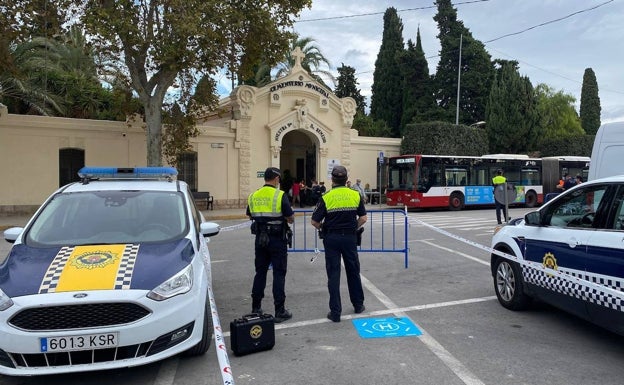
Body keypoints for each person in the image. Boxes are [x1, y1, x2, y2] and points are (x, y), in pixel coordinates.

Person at [311, 165, 367, 323]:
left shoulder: (326, 196)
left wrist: (324, 227)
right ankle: (358, 305)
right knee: (353, 271)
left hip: (332, 239)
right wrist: (351, 228)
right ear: (346, 179)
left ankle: (335, 312)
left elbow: (314, 221)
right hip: (350, 238)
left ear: (332, 179)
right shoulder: (355, 194)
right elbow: (363, 219)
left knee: (333, 274)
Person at [246, 167, 295, 323]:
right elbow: (290, 217)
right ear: (276, 179)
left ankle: (256, 308)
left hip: (260, 239)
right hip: (276, 239)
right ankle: (279, 311)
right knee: (279, 274)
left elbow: (249, 215)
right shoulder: (280, 195)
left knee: (260, 272)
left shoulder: (253, 195)